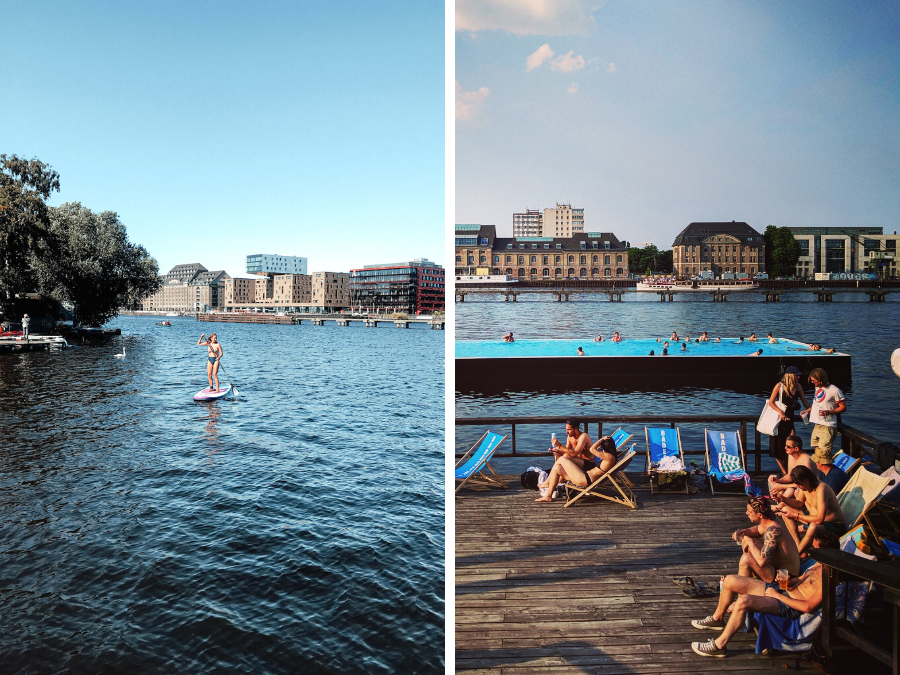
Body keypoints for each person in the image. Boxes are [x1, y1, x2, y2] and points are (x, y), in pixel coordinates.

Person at [689, 530, 838, 658]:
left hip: (788, 604)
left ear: (826, 552)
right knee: (730, 580)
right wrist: (788, 581)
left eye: (815, 548)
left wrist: (777, 596)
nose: (812, 550)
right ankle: (717, 619)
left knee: (743, 602)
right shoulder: (818, 564)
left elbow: (807, 607)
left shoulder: (829, 577)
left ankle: (719, 646)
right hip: (783, 591)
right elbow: (800, 581)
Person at [775, 465, 846, 553]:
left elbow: (819, 519)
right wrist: (783, 499)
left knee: (813, 527)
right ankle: (799, 546)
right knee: (785, 509)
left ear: (806, 481)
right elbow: (799, 503)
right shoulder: (805, 486)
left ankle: (796, 556)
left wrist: (796, 516)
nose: (797, 486)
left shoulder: (821, 489)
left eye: (799, 484)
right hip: (814, 520)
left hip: (834, 526)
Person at [732, 496, 800, 581]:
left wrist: (750, 542)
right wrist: (743, 532)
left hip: (785, 576)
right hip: (776, 568)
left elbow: (761, 562)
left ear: (760, 515)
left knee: (746, 559)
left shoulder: (774, 530)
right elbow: (758, 530)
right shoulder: (770, 519)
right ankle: (750, 578)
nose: (746, 513)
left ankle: (744, 588)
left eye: (749, 511)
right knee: (746, 537)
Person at [535, 419, 593, 503]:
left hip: (588, 464)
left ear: (576, 429)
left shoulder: (584, 436)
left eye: (569, 429)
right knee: (559, 465)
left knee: (564, 457)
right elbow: (567, 451)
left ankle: (549, 482)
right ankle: (548, 496)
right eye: (566, 429)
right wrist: (558, 451)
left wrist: (559, 445)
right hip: (578, 461)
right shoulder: (570, 437)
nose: (567, 432)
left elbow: (574, 453)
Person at [766, 367, 811, 471]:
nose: (799, 377)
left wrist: (811, 409)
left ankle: (791, 469)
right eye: (797, 375)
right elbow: (771, 402)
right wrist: (780, 412)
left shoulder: (798, 387)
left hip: (790, 420)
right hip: (778, 421)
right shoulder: (779, 386)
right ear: (790, 376)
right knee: (777, 447)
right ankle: (784, 471)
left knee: (792, 445)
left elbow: (805, 402)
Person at [800, 368, 846, 461]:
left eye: (814, 380)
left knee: (824, 455)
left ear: (820, 378)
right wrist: (808, 410)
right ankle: (818, 474)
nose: (812, 382)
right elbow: (818, 403)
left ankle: (826, 474)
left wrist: (829, 411)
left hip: (827, 425)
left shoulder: (834, 390)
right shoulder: (818, 387)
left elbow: (843, 407)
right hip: (817, 424)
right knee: (816, 453)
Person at [768, 435, 816, 500]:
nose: (785, 448)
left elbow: (804, 484)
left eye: (788, 447)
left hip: (804, 486)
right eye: (785, 445)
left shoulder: (806, 461)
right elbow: (790, 475)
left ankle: (779, 504)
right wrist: (779, 480)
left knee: (789, 491)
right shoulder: (790, 455)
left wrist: (781, 486)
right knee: (771, 478)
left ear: (796, 449)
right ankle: (778, 499)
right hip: (795, 482)